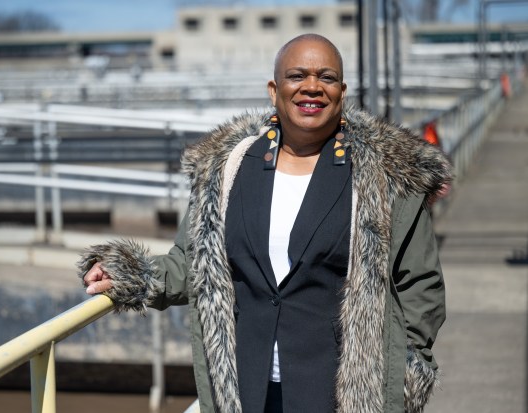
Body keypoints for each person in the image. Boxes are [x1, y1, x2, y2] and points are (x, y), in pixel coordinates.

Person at [79, 34, 452, 413]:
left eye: (326, 77)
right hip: (247, 386)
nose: (312, 87)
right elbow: (194, 265)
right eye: (297, 76)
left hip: (342, 393)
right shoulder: (226, 168)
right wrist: (132, 274)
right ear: (274, 91)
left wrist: (401, 366)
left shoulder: (385, 177)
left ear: (342, 91)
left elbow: (420, 282)